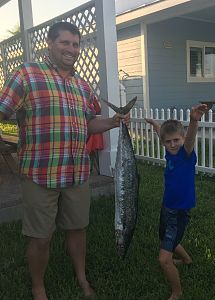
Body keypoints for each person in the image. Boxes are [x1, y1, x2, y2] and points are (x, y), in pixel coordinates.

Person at [0, 21, 129, 300]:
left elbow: (89, 123)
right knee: (41, 237)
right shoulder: (26, 75)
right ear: (49, 43)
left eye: (75, 44)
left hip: (77, 173)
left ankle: (81, 277)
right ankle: (38, 287)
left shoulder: (83, 87)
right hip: (40, 174)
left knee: (77, 229)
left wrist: (113, 122)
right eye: (65, 43)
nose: (72, 49)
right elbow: (3, 111)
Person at [145, 103, 208, 300]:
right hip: (167, 207)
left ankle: (177, 292)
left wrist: (193, 120)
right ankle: (187, 259)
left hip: (179, 212)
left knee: (164, 259)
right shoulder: (169, 152)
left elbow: (189, 139)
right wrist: (156, 124)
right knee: (165, 237)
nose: (173, 144)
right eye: (169, 142)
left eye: (176, 140)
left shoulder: (185, 154)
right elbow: (161, 134)